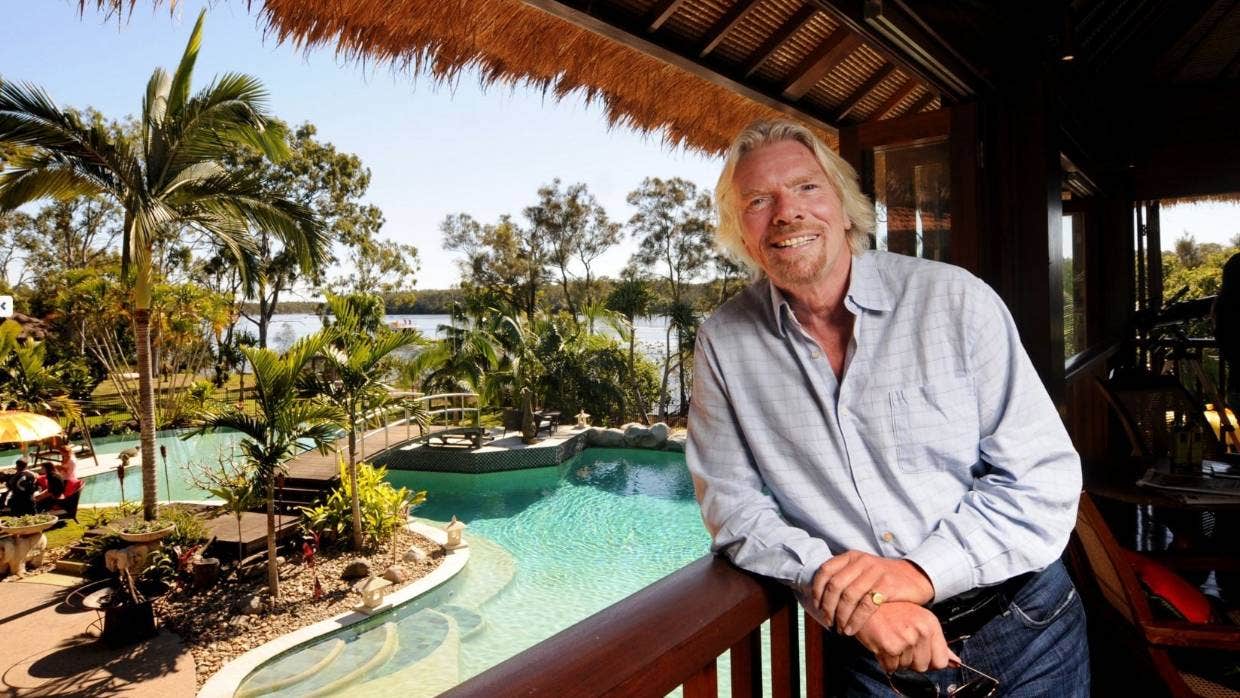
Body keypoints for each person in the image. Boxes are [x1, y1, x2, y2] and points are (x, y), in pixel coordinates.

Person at [687, 119, 1088, 696]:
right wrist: (857, 600)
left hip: (1025, 629)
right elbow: (733, 505)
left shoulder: (955, 300)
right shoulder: (723, 343)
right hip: (872, 653)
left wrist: (915, 576)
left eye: (806, 188)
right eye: (757, 200)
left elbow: (1041, 478)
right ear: (742, 233)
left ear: (845, 208)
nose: (786, 213)